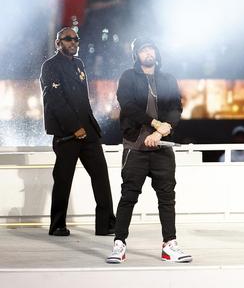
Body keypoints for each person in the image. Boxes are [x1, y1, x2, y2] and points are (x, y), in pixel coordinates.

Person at [106, 38, 192, 263]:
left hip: (162, 146)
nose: (148, 53)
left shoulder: (167, 79)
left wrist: (161, 133)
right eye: (143, 50)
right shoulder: (128, 77)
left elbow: (176, 108)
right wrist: (155, 125)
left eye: (151, 49)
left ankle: (169, 245)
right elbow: (128, 106)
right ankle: (119, 244)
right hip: (136, 146)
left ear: (157, 53)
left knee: (167, 198)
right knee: (128, 196)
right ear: (137, 55)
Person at [40, 26, 116, 236]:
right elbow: (55, 101)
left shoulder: (79, 64)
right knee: (63, 180)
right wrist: (75, 128)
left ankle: (106, 225)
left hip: (89, 131)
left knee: (101, 176)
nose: (73, 42)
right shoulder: (50, 66)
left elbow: (82, 99)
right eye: (67, 39)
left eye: (76, 39)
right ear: (58, 43)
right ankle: (57, 225)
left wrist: (88, 127)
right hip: (67, 134)